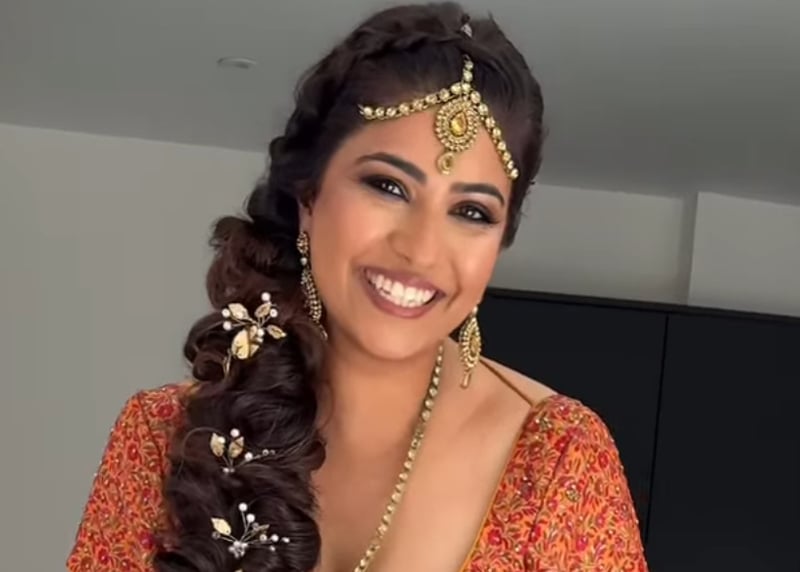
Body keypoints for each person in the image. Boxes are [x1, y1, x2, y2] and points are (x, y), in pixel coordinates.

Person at [67, 3, 648, 571]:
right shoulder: (165, 438)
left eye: (471, 212)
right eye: (388, 187)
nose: (421, 250)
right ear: (309, 197)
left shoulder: (557, 462)